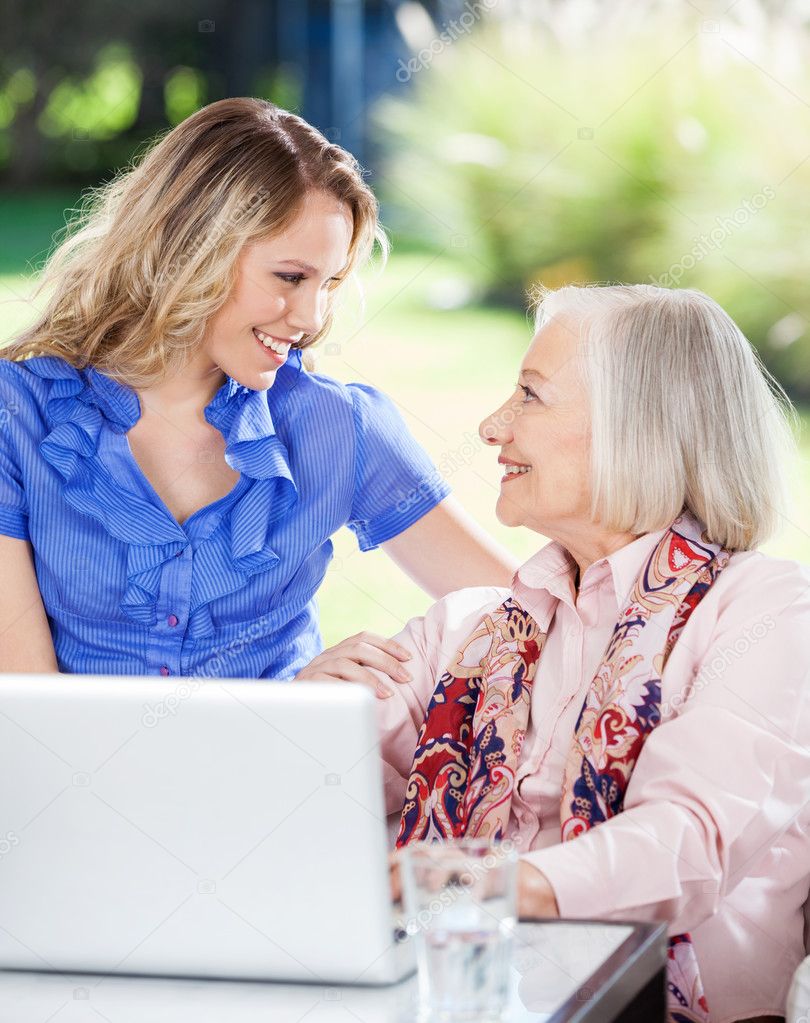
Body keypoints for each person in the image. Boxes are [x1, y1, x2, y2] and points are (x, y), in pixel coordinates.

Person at [298, 283, 810, 1022]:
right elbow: (325, 804)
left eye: (530, 396)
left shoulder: (765, 609)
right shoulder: (470, 627)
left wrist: (483, 888)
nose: (491, 426)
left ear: (640, 423)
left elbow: (686, 843)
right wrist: (305, 715)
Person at [0, 98, 516, 678]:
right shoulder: (17, 417)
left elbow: (522, 617)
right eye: (291, 278)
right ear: (190, 249)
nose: (313, 317)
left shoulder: (338, 426)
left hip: (285, 770)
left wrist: (341, 694)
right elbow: (23, 707)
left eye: (330, 283)